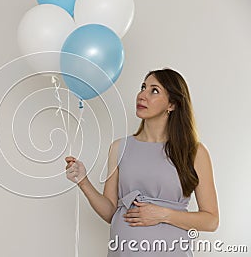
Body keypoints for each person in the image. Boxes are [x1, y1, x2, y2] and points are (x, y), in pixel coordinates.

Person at [65, 68, 219, 256]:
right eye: (143, 87)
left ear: (172, 104)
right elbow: (110, 212)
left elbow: (211, 220)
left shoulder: (194, 152)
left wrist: (163, 214)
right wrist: (83, 181)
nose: (142, 95)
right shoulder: (119, 148)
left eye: (154, 90)